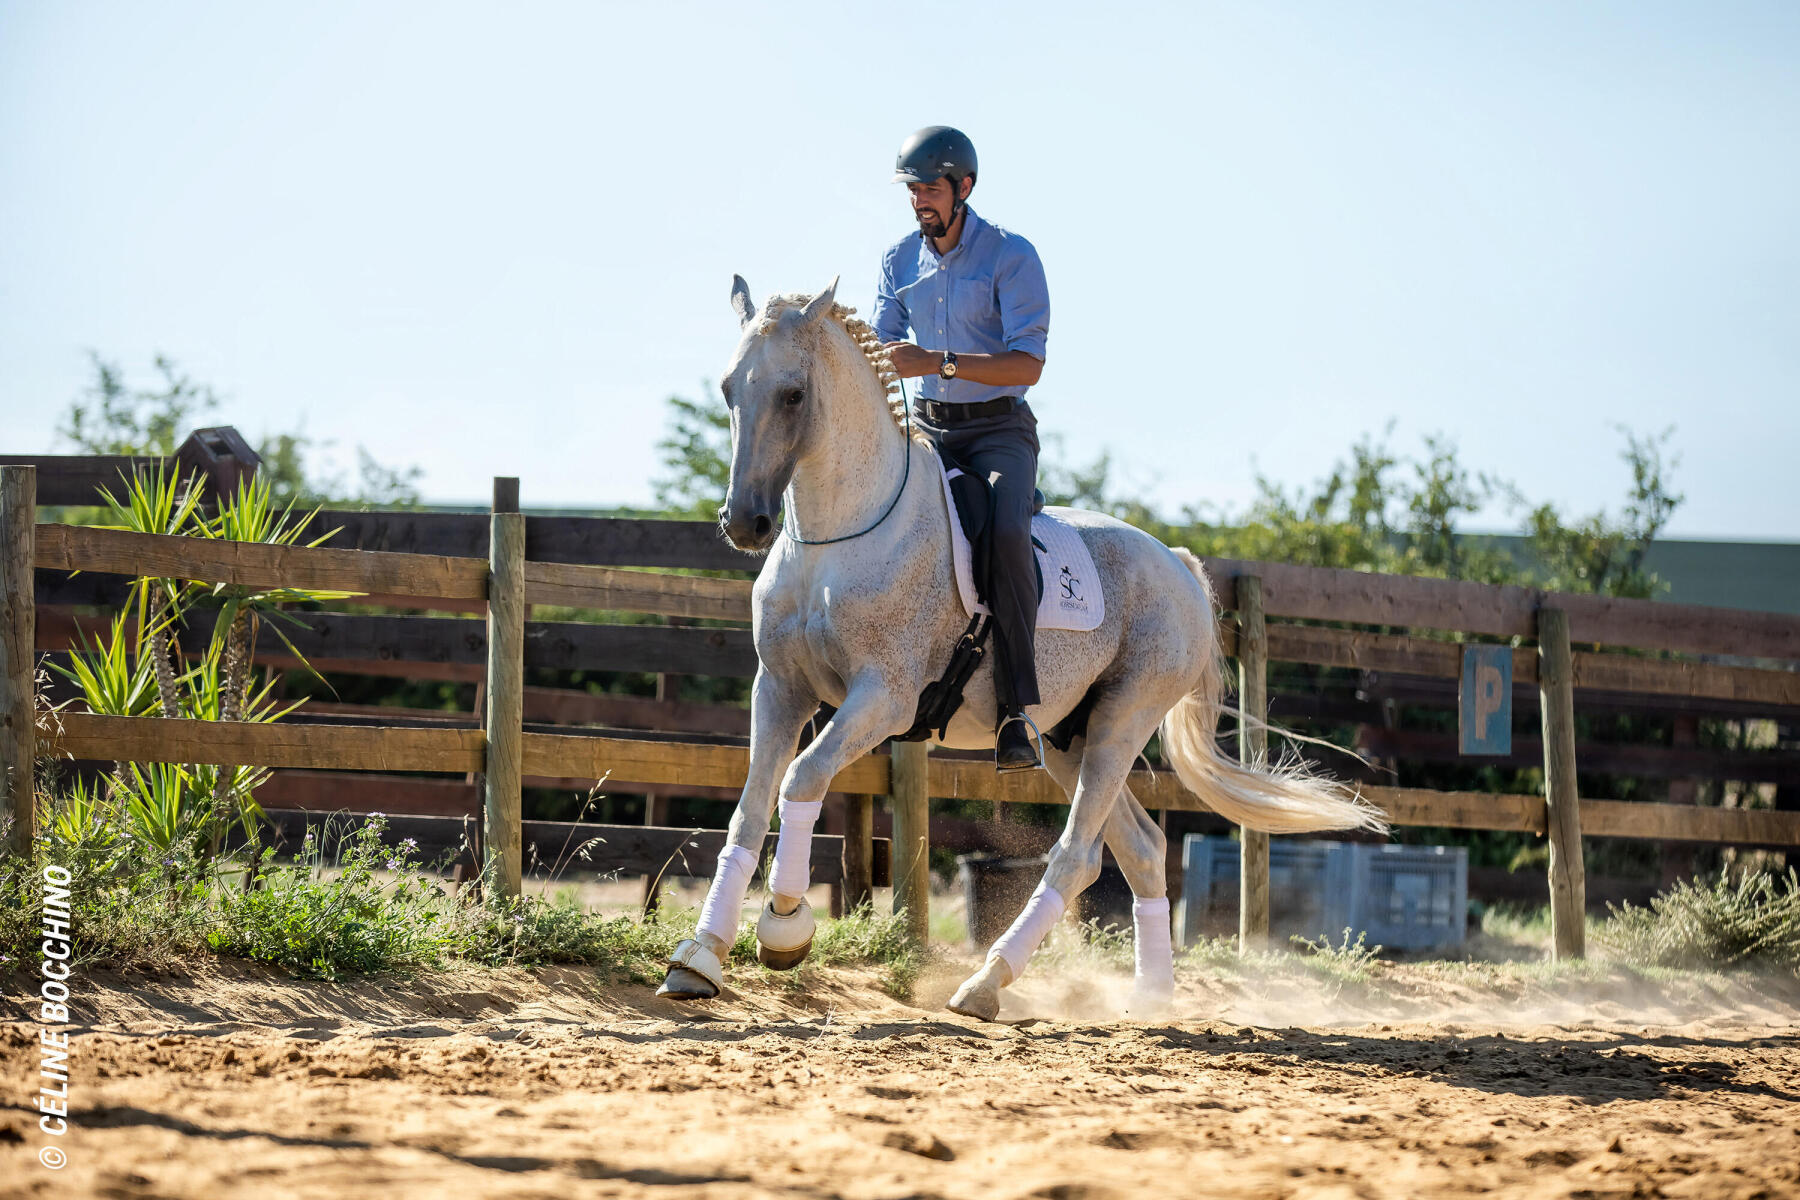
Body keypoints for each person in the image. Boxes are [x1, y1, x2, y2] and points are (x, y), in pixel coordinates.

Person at [873, 125, 1051, 772]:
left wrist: (937, 362)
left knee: (1005, 530)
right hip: (929, 430)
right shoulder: (897, 261)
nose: (919, 199)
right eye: (912, 189)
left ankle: (1014, 713)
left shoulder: (1011, 255)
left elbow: (1028, 366)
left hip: (998, 433)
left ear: (963, 188)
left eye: (929, 188)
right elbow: (882, 347)